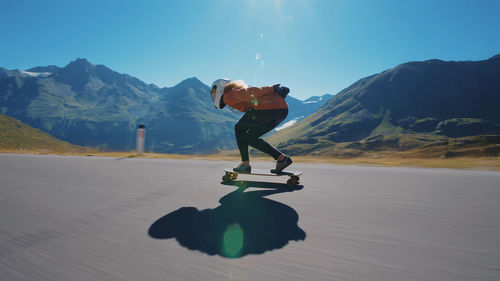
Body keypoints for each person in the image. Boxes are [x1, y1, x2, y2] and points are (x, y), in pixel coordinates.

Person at [210, 79, 293, 173]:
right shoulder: (233, 94)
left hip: (266, 109)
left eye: (213, 91)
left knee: (239, 128)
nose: (213, 94)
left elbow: (250, 92)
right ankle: (282, 159)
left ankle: (245, 165)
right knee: (250, 138)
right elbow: (259, 98)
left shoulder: (228, 95)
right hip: (281, 111)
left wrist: (273, 89)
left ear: (219, 88)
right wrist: (278, 94)